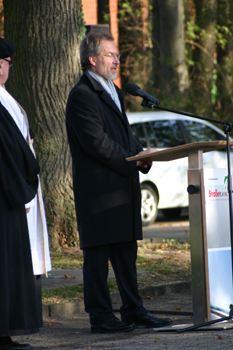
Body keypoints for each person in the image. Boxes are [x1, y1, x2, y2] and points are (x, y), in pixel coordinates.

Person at [66, 30, 172, 333]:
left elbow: (122, 135)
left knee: (126, 255)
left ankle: (133, 310)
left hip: (121, 187)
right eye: (111, 55)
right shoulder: (82, 95)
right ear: (92, 59)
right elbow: (96, 143)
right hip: (99, 191)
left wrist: (141, 153)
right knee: (98, 258)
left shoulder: (114, 90)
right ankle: (100, 316)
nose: (117, 61)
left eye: (117, 56)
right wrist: (132, 159)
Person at [0, 37, 41, 350]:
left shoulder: (6, 99)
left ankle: (6, 330)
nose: (6, 69)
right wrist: (20, 188)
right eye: (5, 63)